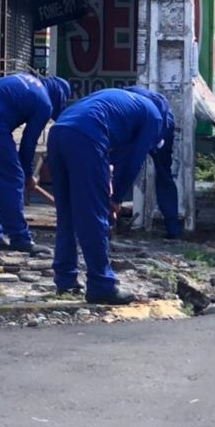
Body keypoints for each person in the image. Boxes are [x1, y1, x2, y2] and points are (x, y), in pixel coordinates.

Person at [46, 88, 165, 304]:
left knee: (68, 213)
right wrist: (116, 198)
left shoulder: (121, 101)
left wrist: (110, 186)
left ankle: (65, 279)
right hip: (86, 136)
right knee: (93, 215)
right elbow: (133, 162)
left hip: (58, 132)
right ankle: (101, 284)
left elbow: (118, 157)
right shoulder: (154, 116)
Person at [0, 73, 70, 253]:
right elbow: (28, 144)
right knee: (12, 178)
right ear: (60, 96)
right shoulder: (45, 103)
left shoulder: (28, 80)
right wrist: (27, 175)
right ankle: (20, 238)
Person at [125, 86, 181, 238]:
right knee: (163, 175)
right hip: (154, 123)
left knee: (163, 175)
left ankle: (172, 227)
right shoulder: (131, 101)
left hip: (161, 127)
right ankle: (173, 228)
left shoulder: (132, 101)